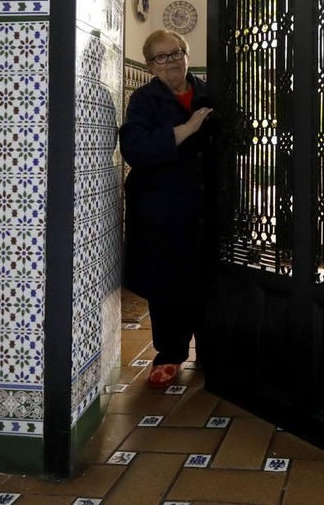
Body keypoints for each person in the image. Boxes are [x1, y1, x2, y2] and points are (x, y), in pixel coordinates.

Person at [120, 30, 217, 389]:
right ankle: (170, 353)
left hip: (207, 207)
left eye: (176, 52)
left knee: (208, 281)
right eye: (161, 56)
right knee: (168, 284)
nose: (171, 60)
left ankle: (211, 350)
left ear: (187, 55)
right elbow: (136, 148)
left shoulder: (208, 93)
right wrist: (188, 128)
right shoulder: (144, 100)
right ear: (150, 66)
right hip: (162, 208)